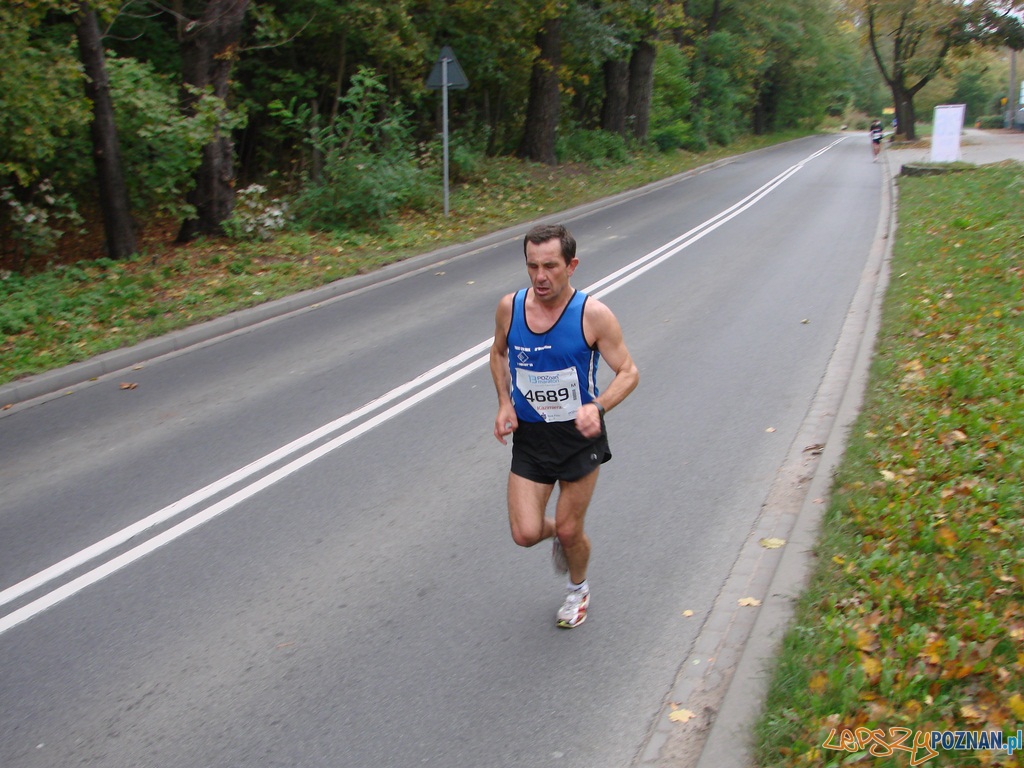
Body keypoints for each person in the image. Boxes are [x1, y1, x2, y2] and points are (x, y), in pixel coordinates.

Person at [489, 223, 639, 629]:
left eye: (550, 266)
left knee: (572, 530)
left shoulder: (593, 314)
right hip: (532, 437)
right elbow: (498, 354)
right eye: (533, 266)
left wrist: (599, 406)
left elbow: (628, 371)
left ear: (571, 265)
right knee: (524, 532)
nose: (540, 276)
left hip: (579, 437)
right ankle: (563, 535)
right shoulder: (510, 308)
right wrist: (505, 401)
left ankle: (578, 589)